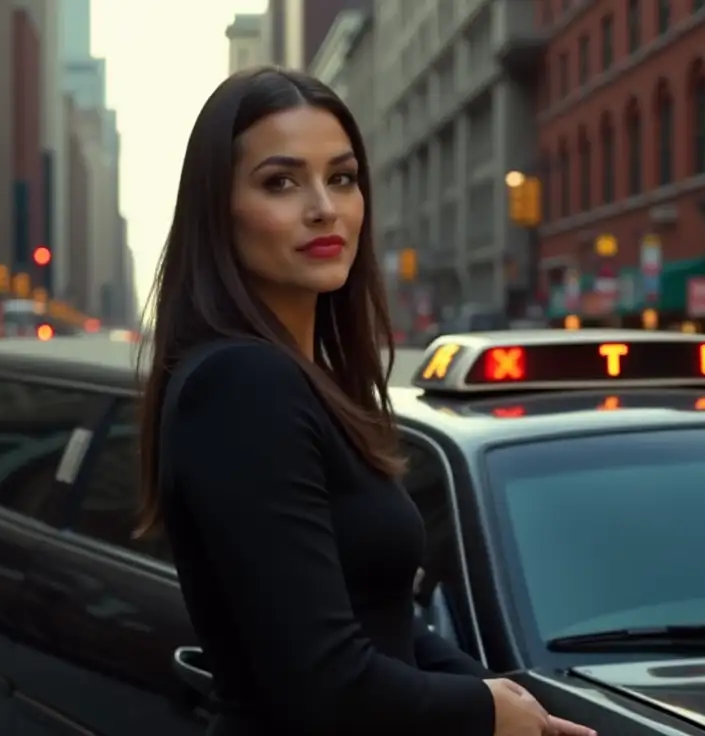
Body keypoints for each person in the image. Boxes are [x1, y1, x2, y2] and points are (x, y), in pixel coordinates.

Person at [136, 68, 594, 736]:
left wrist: (509, 699)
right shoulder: (242, 384)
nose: (324, 207)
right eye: (280, 182)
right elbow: (322, 682)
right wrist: (484, 711)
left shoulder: (307, 376)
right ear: (218, 209)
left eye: (342, 178)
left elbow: (378, 618)